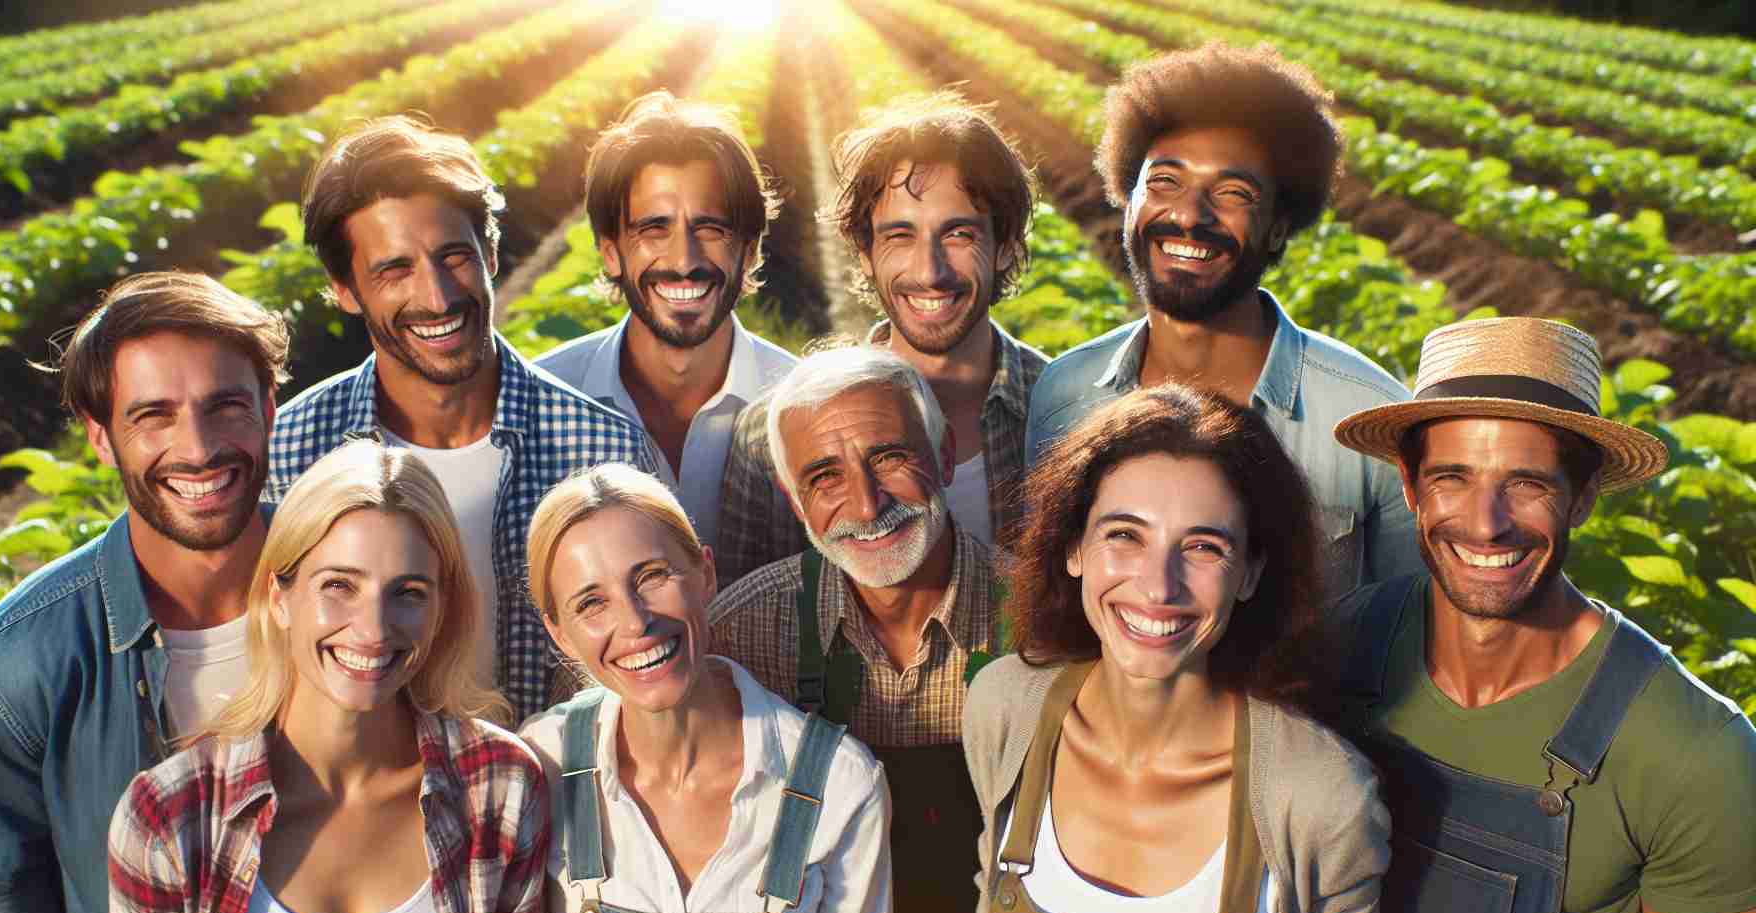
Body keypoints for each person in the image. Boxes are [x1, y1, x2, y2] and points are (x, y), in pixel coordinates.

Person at [1331, 317, 1756, 913]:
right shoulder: (1337, 649)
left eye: (1526, 483)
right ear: (1409, 487)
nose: (1486, 522)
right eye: (1452, 478)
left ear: (1584, 496)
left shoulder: (1695, 752)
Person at [951, 384, 1390, 913]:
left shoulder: (1321, 796)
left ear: (1251, 574)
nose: (1159, 585)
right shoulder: (1004, 705)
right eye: (1125, 535)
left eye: (1204, 547)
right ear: (1074, 548)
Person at [106, 440, 548, 913]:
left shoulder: (503, 789)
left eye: (408, 593)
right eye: (339, 585)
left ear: (443, 609)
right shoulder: (168, 817)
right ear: (279, 596)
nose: (372, 629)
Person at [0, 272, 287, 913]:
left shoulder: (356, 599)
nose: (198, 448)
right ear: (101, 437)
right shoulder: (15, 666)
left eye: (226, 406)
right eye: (154, 416)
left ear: (270, 407)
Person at [266, 114, 656, 721]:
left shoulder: (605, 449)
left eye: (453, 258)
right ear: (344, 289)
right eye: (394, 271)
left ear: (491, 253)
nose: (438, 297)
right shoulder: (290, 451)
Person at [1025, 42, 1417, 597]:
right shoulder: (1063, 397)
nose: (1189, 215)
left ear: (1280, 226)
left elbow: (1410, 636)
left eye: (1233, 193)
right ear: (1127, 197)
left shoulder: (1366, 418)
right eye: (1164, 182)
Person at [519, 463, 895, 913]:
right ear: (558, 633)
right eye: (591, 603)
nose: (636, 621)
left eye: (651, 576)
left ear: (706, 573)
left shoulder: (840, 782)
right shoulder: (540, 762)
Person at [707, 345, 1001, 913]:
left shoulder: (1045, 627)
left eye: (890, 458)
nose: (866, 505)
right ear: (792, 498)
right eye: (825, 476)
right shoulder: (742, 638)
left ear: (946, 453)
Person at [714, 91, 1049, 586]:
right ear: (865, 254)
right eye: (899, 237)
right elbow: (749, 619)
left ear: (1005, 248)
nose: (929, 271)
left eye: (958, 235)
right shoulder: (770, 432)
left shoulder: (1063, 411)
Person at [536, 91, 796, 554]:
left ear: (750, 249)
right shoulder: (544, 402)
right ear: (610, 250)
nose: (684, 260)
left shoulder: (800, 403)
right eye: (654, 229)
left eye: (711, 228)